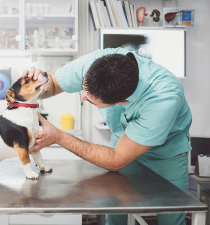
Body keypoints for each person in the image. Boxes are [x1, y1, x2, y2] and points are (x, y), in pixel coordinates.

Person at [24, 47, 192, 225]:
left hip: (165, 156)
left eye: (90, 100)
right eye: (83, 89)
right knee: (116, 209)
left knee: (170, 214)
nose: (83, 98)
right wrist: (35, 83)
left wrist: (59, 137)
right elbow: (52, 84)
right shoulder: (100, 63)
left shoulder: (164, 98)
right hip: (121, 144)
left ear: (121, 102)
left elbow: (116, 159)